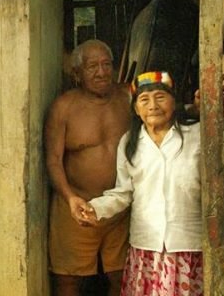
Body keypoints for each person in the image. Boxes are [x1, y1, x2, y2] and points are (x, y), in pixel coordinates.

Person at [82, 71, 224, 295]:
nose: (153, 105)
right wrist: (95, 208)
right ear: (136, 110)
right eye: (144, 99)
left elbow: (221, 174)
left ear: (175, 102)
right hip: (146, 249)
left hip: (190, 245)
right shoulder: (130, 142)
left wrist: (218, 116)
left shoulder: (198, 134)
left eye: (160, 97)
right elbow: (124, 193)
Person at [44, 39, 131, 296]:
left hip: (120, 207)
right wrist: (71, 198)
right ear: (77, 73)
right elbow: (53, 160)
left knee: (122, 275)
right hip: (75, 207)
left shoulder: (128, 98)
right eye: (92, 66)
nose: (102, 72)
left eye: (106, 64)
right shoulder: (64, 107)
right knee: (69, 280)